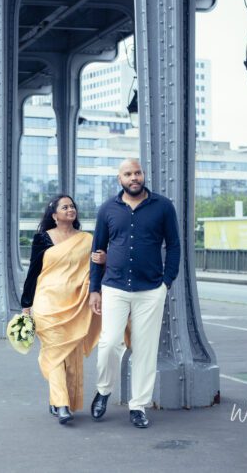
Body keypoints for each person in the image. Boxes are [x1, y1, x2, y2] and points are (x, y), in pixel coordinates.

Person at [88, 158, 180, 429]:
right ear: (120, 179)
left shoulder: (162, 207)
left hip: (151, 290)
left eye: (137, 172)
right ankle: (104, 390)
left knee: (145, 350)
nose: (134, 177)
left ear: (143, 175)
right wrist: (95, 289)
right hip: (114, 286)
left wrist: (167, 282)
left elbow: (174, 245)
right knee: (109, 344)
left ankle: (138, 406)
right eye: (128, 174)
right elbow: (96, 252)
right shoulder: (107, 209)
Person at [21, 194, 102, 425]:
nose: (70, 209)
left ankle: (61, 400)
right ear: (54, 215)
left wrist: (102, 261)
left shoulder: (87, 240)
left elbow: (96, 268)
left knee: (72, 355)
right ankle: (62, 404)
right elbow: (33, 273)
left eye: (72, 206)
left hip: (76, 303)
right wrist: (26, 307)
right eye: (65, 207)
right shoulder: (43, 239)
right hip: (47, 303)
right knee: (54, 353)